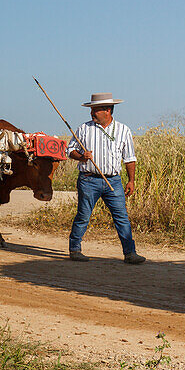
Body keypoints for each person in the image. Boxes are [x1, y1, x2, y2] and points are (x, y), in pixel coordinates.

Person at [66, 92, 145, 264]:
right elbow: (69, 150)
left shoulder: (123, 130)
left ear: (107, 110)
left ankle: (130, 253)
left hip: (113, 181)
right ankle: (74, 249)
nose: (92, 113)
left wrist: (131, 181)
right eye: (92, 110)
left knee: (121, 217)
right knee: (83, 215)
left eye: (95, 110)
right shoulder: (84, 129)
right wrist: (81, 157)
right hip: (88, 180)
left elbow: (130, 158)